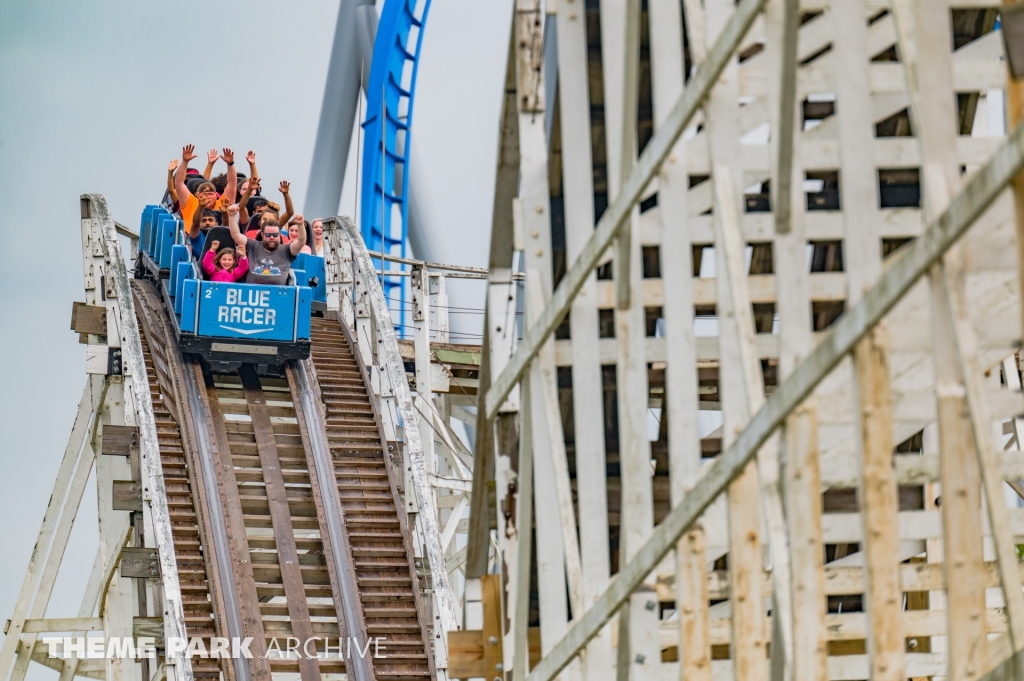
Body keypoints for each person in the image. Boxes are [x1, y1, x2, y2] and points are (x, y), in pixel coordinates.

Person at [227, 203, 307, 285]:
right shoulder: (252, 245)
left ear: (279, 235)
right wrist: (232, 216)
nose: (271, 237)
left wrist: (300, 225)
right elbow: (236, 235)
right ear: (262, 234)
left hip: (279, 295)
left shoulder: (287, 250)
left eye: (275, 235)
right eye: (268, 235)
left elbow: (301, 241)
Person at [174, 144, 237, 243]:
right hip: (193, 245)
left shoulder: (222, 203)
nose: (207, 196)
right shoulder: (191, 202)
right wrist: (185, 161)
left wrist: (231, 164)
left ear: (216, 196)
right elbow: (179, 184)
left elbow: (232, 185)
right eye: (204, 193)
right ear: (198, 195)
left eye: (210, 193)